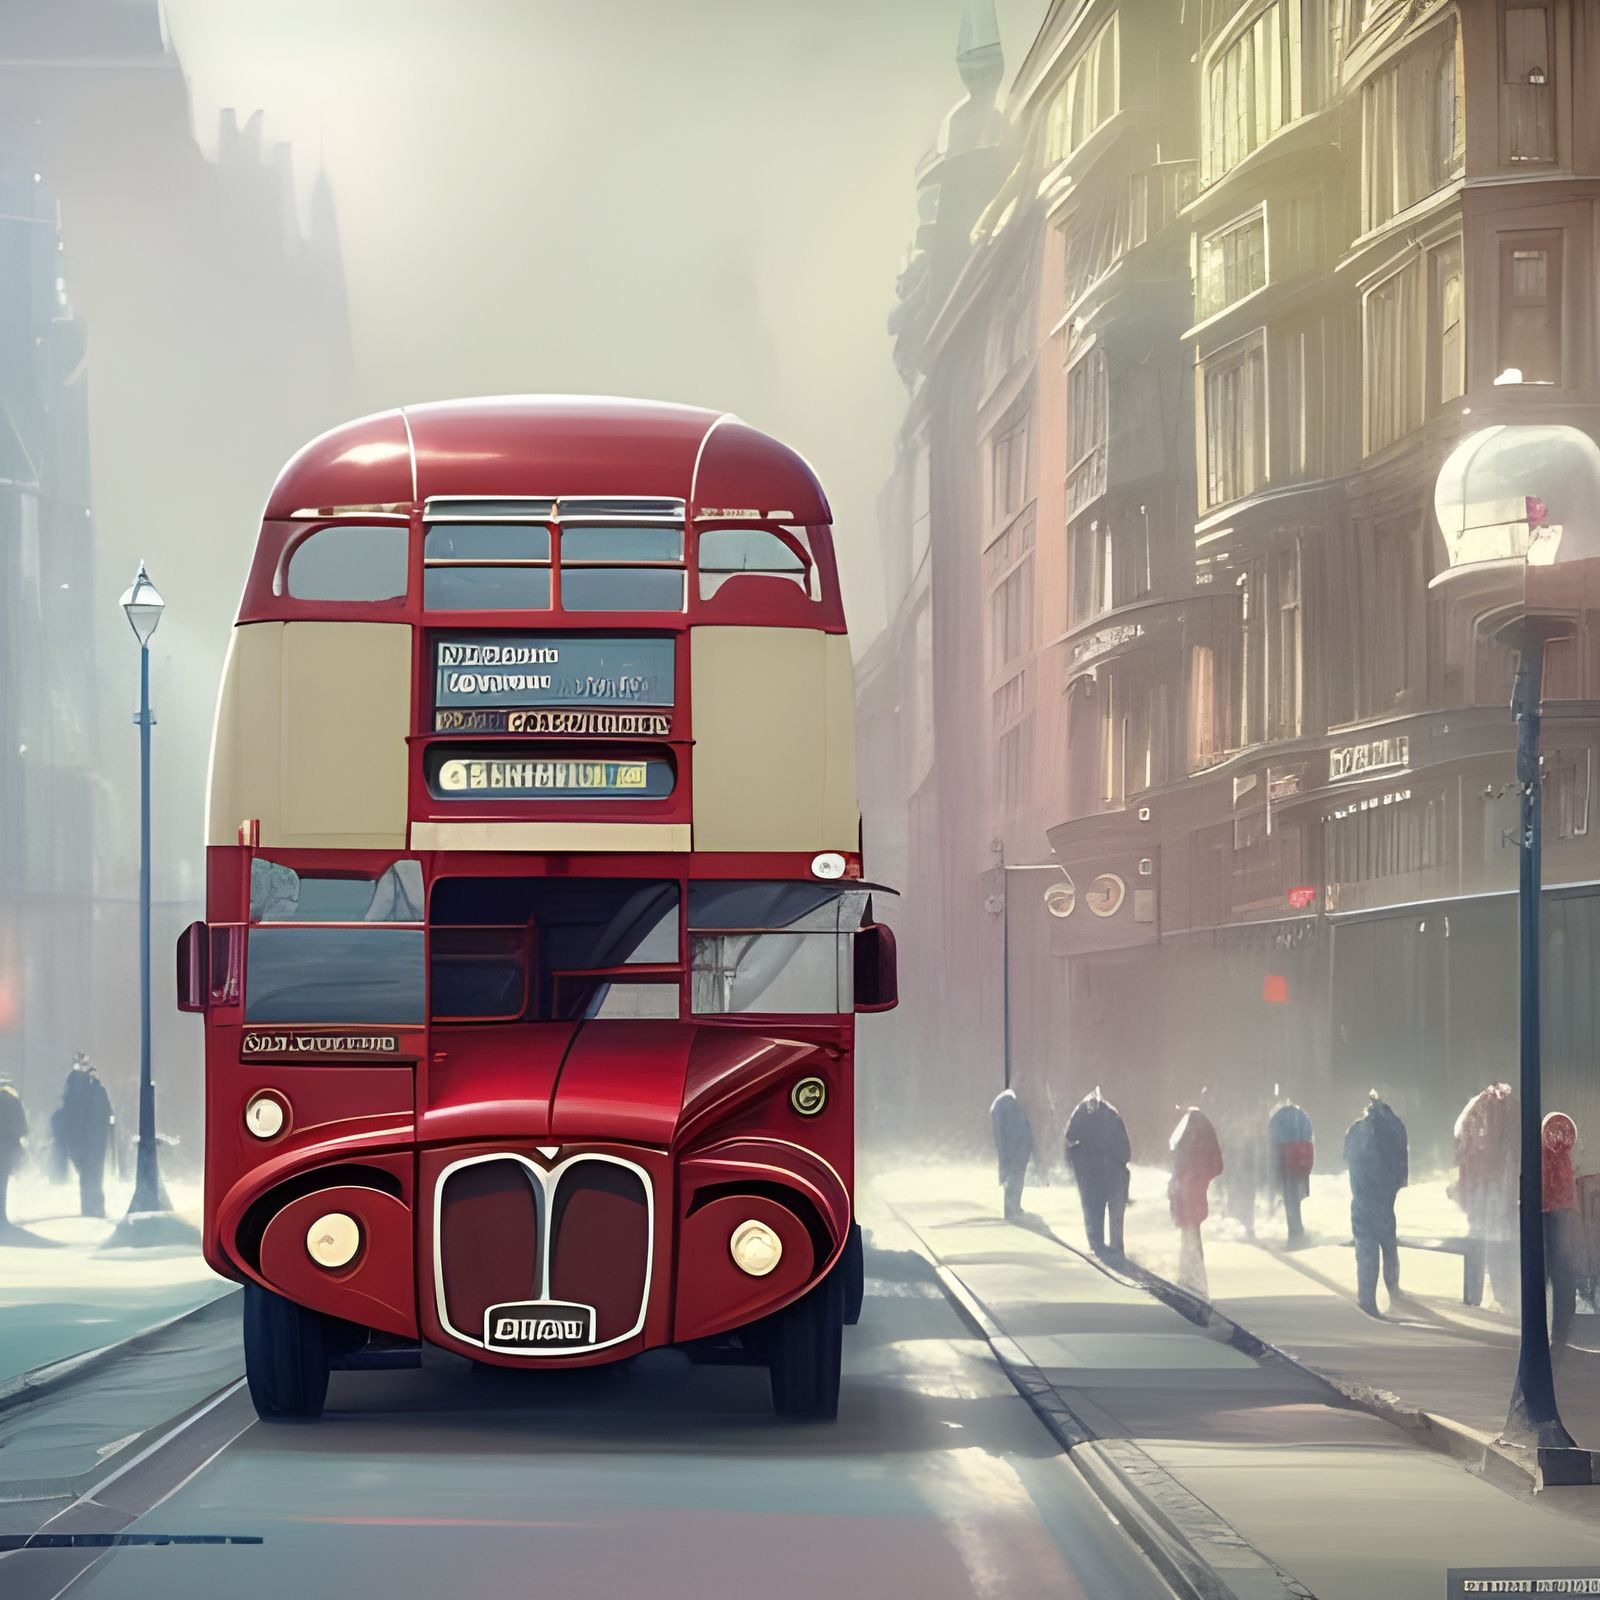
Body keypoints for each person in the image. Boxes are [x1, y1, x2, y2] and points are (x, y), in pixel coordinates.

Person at [1453, 1082, 1518, 1308]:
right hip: (1500, 1198)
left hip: (1480, 1198)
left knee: (1478, 1242)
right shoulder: (1511, 1114)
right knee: (1499, 1247)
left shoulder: (1475, 1113)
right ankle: (1503, 1297)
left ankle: (1474, 1297)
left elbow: (1460, 1139)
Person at [1343, 1092, 1409, 1315]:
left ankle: (1367, 1301)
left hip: (1360, 1202)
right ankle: (1395, 1296)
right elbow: (1401, 1172)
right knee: (1389, 1249)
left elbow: (1348, 1161)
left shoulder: (1356, 1130)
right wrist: (1391, 1191)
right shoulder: (1393, 1130)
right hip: (1384, 1203)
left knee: (1365, 1252)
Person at [1063, 1087, 1131, 1257]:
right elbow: (1126, 1151)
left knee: (1092, 1210)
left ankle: (1097, 1247)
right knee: (1116, 1215)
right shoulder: (1113, 1115)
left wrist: (1076, 1157)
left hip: (1089, 1173)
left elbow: (1069, 1137)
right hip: (1113, 1173)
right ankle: (1117, 1249)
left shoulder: (1081, 1112)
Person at [1168, 1106, 1223, 1297]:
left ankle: (1189, 1278)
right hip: (1195, 1188)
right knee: (1192, 1231)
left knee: (1189, 1233)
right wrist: (1203, 1176)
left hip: (1184, 1188)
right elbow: (1218, 1165)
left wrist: (1187, 1178)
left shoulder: (1184, 1133)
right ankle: (1194, 1278)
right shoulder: (1206, 1132)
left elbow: (1176, 1160)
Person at [54, 1055, 112, 1218]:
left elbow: (77, 1111)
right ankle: (92, 1207)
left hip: (85, 1138)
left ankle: (92, 1208)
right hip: (87, 1138)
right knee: (90, 1174)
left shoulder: (84, 1086)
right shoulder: (87, 1086)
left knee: (89, 1173)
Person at [1544, 1111, 1580, 1354]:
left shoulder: (1550, 1161)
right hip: (1558, 1210)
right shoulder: (1564, 1162)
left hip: (1550, 1211)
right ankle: (1560, 1333)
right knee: (1562, 1270)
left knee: (1555, 1269)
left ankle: (1558, 1333)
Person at [1268, 1097, 1314, 1245]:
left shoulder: (1278, 1117)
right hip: (1302, 1159)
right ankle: (1297, 1231)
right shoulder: (1302, 1115)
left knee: (1289, 1197)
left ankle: (1294, 1233)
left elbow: (1273, 1138)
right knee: (1296, 1197)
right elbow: (1309, 1135)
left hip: (1285, 1158)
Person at [990, 1086, 1034, 1221]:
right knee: (1015, 1177)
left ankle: (1012, 1207)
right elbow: (1015, 1130)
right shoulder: (1010, 1103)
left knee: (1013, 1176)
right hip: (1016, 1150)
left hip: (1013, 1149)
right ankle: (1011, 1208)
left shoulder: (1004, 1102)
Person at [0, 1075, 26, 1226]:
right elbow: (22, 1127)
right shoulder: (12, 1100)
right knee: (2, 1183)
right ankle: (1, 1216)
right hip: (6, 1149)